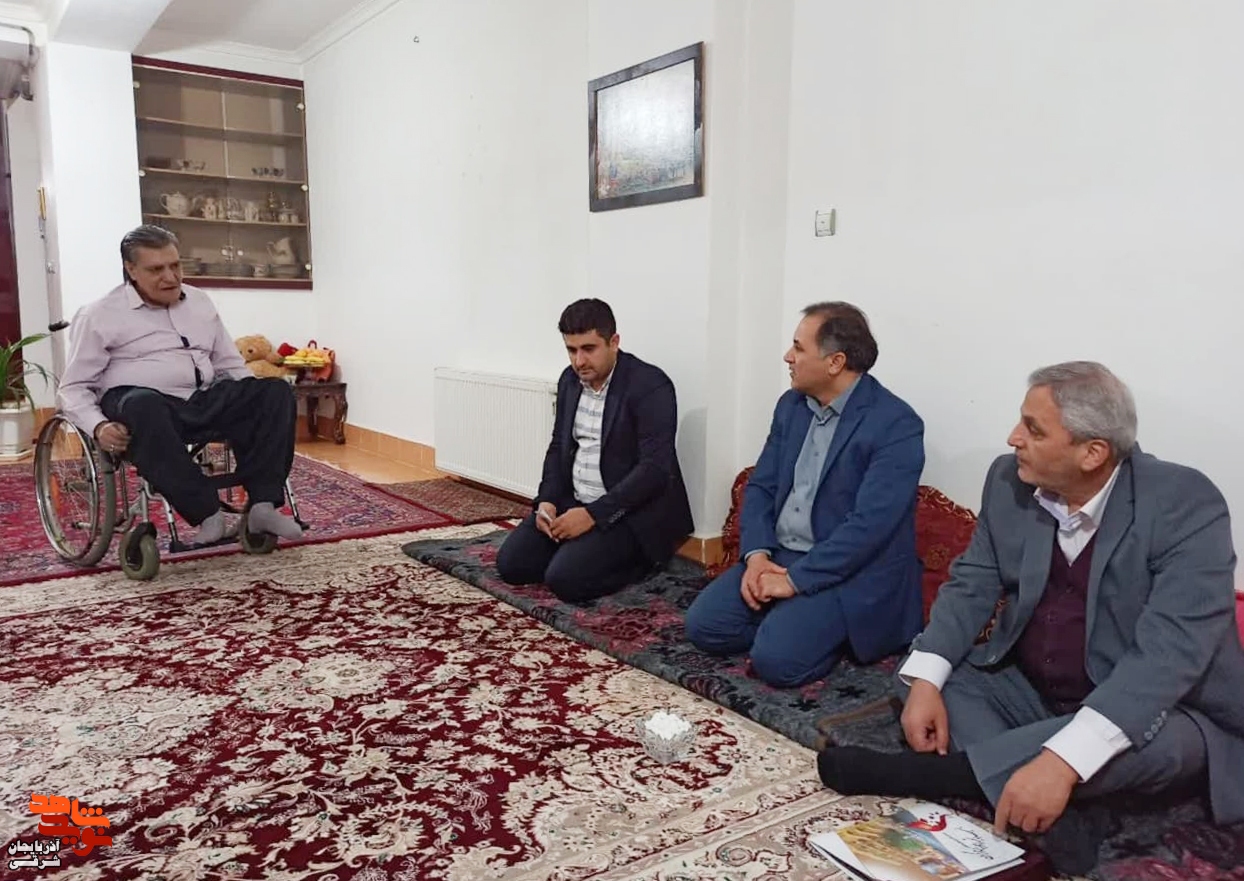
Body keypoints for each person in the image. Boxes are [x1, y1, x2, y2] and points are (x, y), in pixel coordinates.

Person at [816, 362, 1244, 876]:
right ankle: (1070, 813)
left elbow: (1167, 657)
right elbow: (972, 583)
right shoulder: (1009, 480)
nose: (1013, 437)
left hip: (1159, 708)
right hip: (1034, 692)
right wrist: (926, 682)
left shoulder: (1184, 504)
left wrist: (1063, 761)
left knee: (1164, 737)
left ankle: (939, 775)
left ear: (1092, 453)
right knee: (930, 672)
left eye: (1034, 430)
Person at [684, 302, 925, 687]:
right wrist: (757, 558)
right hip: (780, 553)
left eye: (798, 347)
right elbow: (761, 486)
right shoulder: (791, 406)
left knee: (776, 663)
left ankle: (810, 632)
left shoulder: (896, 424)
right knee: (703, 627)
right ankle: (788, 624)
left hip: (847, 570)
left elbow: (869, 528)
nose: (788, 356)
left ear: (835, 362)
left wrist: (794, 581)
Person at [57, 225, 301, 544]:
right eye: (156, 269)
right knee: (144, 404)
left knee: (275, 391)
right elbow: (73, 387)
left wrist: (251, 402)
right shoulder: (99, 315)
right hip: (138, 405)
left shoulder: (200, 302)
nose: (170, 277)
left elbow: (229, 363)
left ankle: (263, 506)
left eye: (175, 266)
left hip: (199, 399)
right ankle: (207, 513)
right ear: (131, 270)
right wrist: (99, 426)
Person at [495, 298, 694, 602]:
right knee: (512, 565)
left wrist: (593, 515)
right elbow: (559, 446)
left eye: (589, 349)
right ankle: (579, 550)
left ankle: (642, 562)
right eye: (571, 350)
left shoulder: (650, 385)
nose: (579, 361)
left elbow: (654, 470)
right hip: (575, 502)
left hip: (628, 513)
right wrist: (547, 500)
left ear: (614, 342)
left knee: (565, 580)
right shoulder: (570, 380)